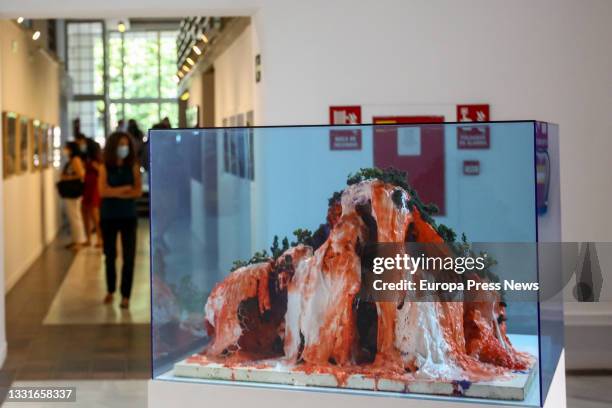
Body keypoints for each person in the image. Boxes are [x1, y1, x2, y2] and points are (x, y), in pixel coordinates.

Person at [99, 132, 142, 309]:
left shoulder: (133, 165)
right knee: (110, 255)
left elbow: (137, 192)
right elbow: (102, 192)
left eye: (126, 144)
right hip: (108, 216)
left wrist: (113, 190)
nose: (123, 148)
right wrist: (125, 189)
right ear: (113, 146)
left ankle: (126, 295)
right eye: (120, 145)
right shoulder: (104, 167)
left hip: (128, 216)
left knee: (129, 256)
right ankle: (110, 290)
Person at [60, 142, 87, 250]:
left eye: (66, 148)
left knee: (75, 216)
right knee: (73, 216)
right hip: (70, 192)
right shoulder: (72, 160)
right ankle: (76, 240)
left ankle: (79, 241)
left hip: (74, 192)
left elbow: (81, 174)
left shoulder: (76, 159)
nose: (65, 149)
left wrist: (66, 178)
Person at [81, 142, 103, 247]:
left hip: (94, 186)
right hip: (87, 186)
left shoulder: (98, 160)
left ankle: (100, 239)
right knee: (85, 211)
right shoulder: (87, 159)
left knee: (94, 214)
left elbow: (101, 172)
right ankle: (88, 238)